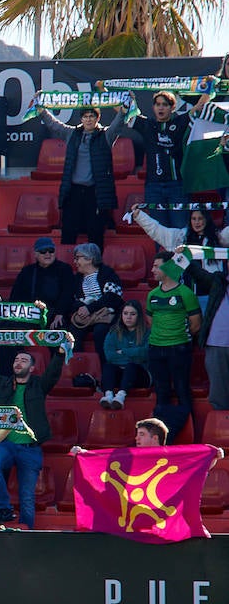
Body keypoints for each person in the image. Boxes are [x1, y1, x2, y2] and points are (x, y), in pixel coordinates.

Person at [0, 346, 67, 528]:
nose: (18, 363)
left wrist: (60, 353)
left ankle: (26, 534)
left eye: (24, 360)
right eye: (16, 360)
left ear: (32, 368)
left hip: (31, 448)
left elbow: (53, 373)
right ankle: (4, 508)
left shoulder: (39, 385)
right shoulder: (3, 383)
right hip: (6, 443)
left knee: (27, 497)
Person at [116, 90, 211, 228]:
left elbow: (201, 105)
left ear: (173, 107)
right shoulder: (147, 125)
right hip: (153, 187)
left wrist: (209, 88)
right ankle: (162, 252)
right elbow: (123, 111)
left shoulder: (181, 121)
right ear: (153, 107)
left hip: (177, 186)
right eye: (158, 104)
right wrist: (102, 90)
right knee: (158, 231)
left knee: (180, 230)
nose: (161, 107)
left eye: (165, 104)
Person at [36, 105, 117, 248]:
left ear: (98, 118)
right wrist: (41, 110)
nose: (88, 120)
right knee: (68, 231)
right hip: (73, 191)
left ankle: (95, 267)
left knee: (96, 232)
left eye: (92, 116)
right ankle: (67, 266)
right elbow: (54, 125)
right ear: (81, 119)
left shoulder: (106, 135)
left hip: (95, 192)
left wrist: (124, 110)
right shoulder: (72, 134)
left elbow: (119, 123)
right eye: (85, 116)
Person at [144, 252, 201, 441]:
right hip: (156, 348)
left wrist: (177, 336)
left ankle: (190, 435)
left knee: (182, 388)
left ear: (169, 268)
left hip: (179, 348)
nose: (152, 270)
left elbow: (195, 324)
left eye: (156, 266)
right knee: (161, 391)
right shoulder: (152, 294)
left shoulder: (186, 293)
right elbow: (150, 320)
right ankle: (159, 437)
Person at [69, 243, 125, 366]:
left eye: (78, 258)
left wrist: (90, 308)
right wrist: (81, 308)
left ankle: (105, 368)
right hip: (85, 318)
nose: (75, 261)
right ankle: (79, 368)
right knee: (72, 334)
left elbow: (113, 297)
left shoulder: (107, 273)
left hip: (104, 317)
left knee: (101, 332)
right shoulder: (77, 278)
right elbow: (71, 299)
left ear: (90, 259)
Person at [185, 256, 229, 409]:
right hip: (216, 343)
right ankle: (222, 426)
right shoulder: (218, 281)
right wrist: (182, 258)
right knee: (218, 392)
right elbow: (198, 274)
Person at [9, 237, 76, 328]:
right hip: (30, 314)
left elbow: (67, 294)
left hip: (55, 314)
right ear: (36, 254)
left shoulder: (65, 269)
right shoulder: (27, 271)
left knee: (59, 327)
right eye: (43, 251)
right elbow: (15, 296)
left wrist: (60, 314)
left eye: (51, 250)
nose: (48, 254)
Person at [101, 300, 151, 410]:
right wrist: (134, 353)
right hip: (120, 374)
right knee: (108, 366)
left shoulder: (147, 332)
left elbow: (145, 354)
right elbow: (109, 355)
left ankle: (120, 397)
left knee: (131, 367)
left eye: (132, 314)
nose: (128, 317)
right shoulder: (114, 332)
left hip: (141, 375)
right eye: (125, 313)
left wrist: (123, 351)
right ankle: (108, 395)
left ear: (139, 316)